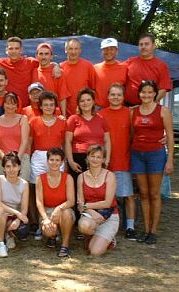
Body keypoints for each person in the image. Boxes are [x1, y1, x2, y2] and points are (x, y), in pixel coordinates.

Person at [131, 80, 174, 244]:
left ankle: (153, 231)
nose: (146, 95)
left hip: (156, 155)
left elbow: (170, 136)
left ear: (155, 93)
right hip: (137, 155)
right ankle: (146, 229)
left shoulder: (163, 111)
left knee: (154, 194)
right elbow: (132, 134)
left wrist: (170, 159)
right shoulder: (133, 112)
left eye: (150, 92)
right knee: (143, 193)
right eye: (143, 92)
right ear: (139, 94)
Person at [98, 84, 136, 240]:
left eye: (118, 95)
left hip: (123, 160)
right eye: (112, 94)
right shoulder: (101, 114)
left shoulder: (130, 113)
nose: (115, 97)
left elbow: (134, 134)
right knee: (105, 197)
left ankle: (130, 227)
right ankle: (104, 223)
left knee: (127, 195)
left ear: (123, 97)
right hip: (105, 163)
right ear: (108, 97)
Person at [29, 91, 66, 239]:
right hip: (38, 157)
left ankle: (56, 225)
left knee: (57, 189)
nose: (49, 107)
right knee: (38, 191)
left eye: (51, 104)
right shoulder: (34, 121)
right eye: (46, 105)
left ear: (55, 106)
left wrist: (66, 161)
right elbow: (29, 142)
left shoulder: (63, 121)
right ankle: (40, 224)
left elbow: (64, 143)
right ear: (41, 106)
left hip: (57, 156)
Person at [77, 145, 119, 256]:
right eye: (92, 156)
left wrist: (86, 206)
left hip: (109, 215)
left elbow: (107, 203)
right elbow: (80, 203)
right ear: (87, 158)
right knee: (84, 226)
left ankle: (110, 239)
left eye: (98, 157)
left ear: (103, 160)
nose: (95, 160)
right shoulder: (81, 177)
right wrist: (91, 211)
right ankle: (92, 235)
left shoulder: (110, 176)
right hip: (91, 216)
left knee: (95, 252)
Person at [65, 88, 111, 184]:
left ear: (93, 102)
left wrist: (106, 160)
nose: (85, 103)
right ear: (78, 103)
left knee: (96, 189)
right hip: (78, 160)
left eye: (88, 100)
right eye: (82, 101)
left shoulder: (102, 119)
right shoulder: (73, 119)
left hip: (97, 159)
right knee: (79, 190)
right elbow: (67, 142)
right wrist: (71, 162)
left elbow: (107, 141)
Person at [35, 148, 75, 257]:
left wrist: (59, 209)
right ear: (47, 161)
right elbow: (39, 202)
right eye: (51, 159)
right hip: (47, 210)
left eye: (57, 160)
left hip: (64, 209)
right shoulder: (40, 178)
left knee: (66, 213)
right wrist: (45, 218)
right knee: (48, 231)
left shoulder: (68, 178)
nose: (54, 163)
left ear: (62, 162)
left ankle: (65, 245)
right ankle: (52, 236)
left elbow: (71, 201)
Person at [0, 151, 29, 257]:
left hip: (13, 217)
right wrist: (17, 213)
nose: (11, 170)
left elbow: (24, 208)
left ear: (19, 167)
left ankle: (9, 234)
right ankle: (0, 244)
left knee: (23, 231)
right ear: (4, 168)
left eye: (14, 166)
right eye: (8, 166)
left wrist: (18, 219)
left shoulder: (24, 184)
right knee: (0, 210)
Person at [0, 37, 38, 107]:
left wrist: (55, 66)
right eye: (11, 48)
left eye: (16, 48)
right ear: (6, 50)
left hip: (25, 108)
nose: (14, 51)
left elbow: (46, 63)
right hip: (7, 108)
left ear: (21, 50)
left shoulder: (31, 62)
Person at [0, 92, 30, 182]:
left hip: (21, 159)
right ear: (3, 105)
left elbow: (24, 141)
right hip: (2, 160)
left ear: (17, 106)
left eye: (13, 103)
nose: (10, 106)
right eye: (7, 103)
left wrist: (17, 160)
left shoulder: (23, 119)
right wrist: (5, 159)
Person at [124, 33, 172, 105]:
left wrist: (150, 104)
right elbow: (116, 71)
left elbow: (163, 89)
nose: (143, 47)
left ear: (153, 46)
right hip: (128, 107)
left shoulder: (162, 66)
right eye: (141, 44)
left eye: (146, 44)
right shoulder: (130, 62)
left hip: (149, 108)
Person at [60, 38, 97, 116]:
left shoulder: (88, 66)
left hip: (85, 113)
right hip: (66, 114)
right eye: (70, 49)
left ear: (80, 50)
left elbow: (93, 90)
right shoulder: (60, 68)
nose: (73, 52)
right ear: (65, 50)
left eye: (76, 49)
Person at [33, 42, 70, 117]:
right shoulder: (33, 71)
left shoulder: (58, 73)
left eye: (46, 54)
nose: (43, 57)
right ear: (36, 56)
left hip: (54, 114)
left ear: (51, 56)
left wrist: (64, 115)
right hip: (37, 115)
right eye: (41, 54)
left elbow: (63, 96)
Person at [94, 38, 127, 109]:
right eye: (105, 49)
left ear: (117, 51)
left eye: (112, 49)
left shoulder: (125, 68)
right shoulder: (95, 68)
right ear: (102, 51)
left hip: (118, 108)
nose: (108, 51)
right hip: (99, 109)